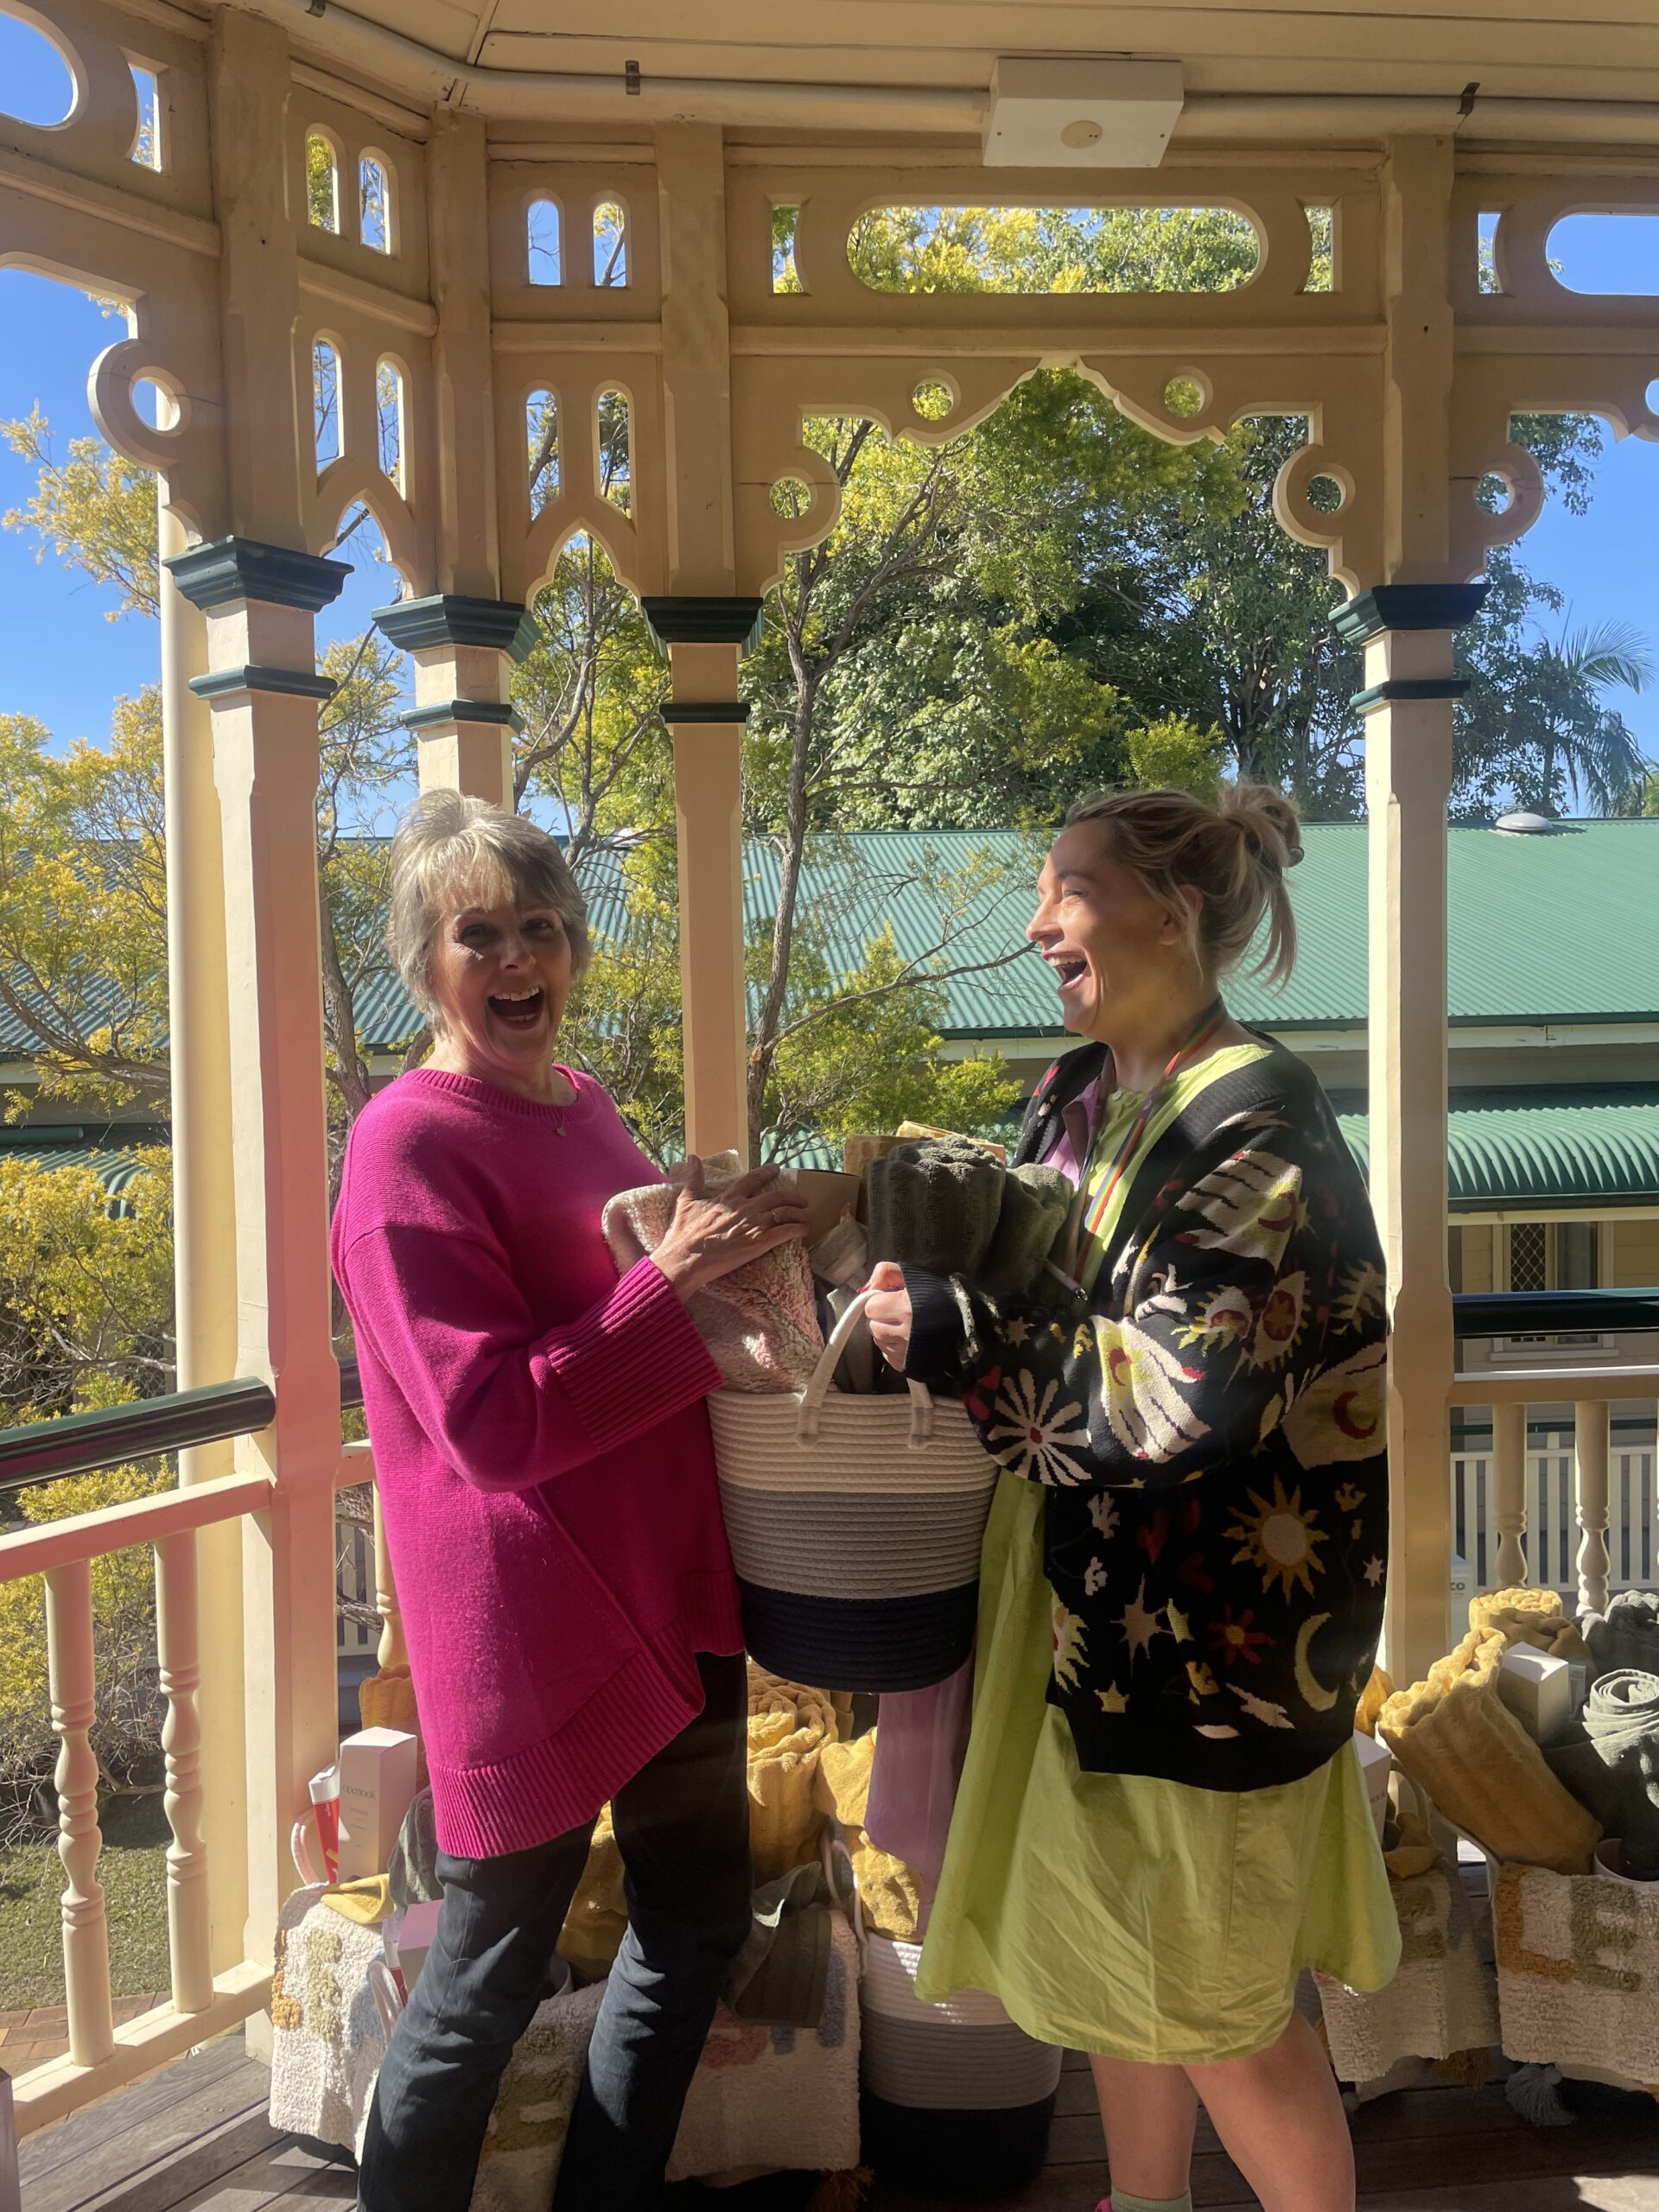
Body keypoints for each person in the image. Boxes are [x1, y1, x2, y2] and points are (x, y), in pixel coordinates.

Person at [864, 785, 1399, 2212]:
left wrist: (958, 1335)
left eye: (1071, 890)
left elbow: (1179, 1394)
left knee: (1226, 2019)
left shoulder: (1258, 1128)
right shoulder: (1081, 1093)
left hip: (1209, 1642)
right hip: (1095, 1622)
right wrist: (853, 1216)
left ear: (1175, 912)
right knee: (1122, 1976)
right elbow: (1023, 1254)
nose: (1040, 924)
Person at [331, 790, 808, 2212]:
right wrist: (673, 1283)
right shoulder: (404, 1149)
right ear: (426, 961)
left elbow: (635, 1293)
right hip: (529, 1606)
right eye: (479, 932)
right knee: (485, 1973)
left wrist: (731, 1239)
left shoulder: (588, 1109)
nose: (519, 957)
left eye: (541, 926)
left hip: (668, 1570)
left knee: (696, 1922)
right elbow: (490, 1423)